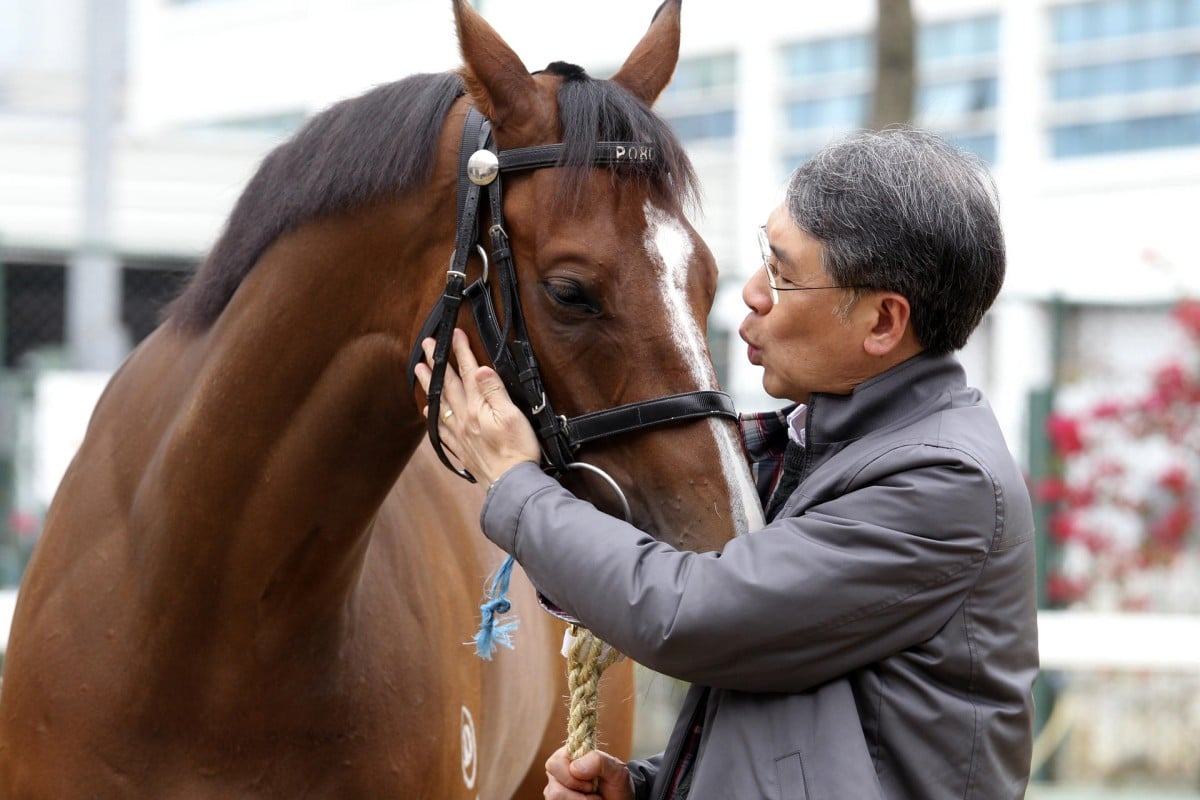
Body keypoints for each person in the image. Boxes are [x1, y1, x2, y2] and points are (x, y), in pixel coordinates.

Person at [414, 127, 1039, 800]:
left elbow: (694, 617)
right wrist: (653, 790)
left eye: (783, 273)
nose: (753, 295)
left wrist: (515, 484)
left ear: (884, 323)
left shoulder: (942, 480)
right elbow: (811, 725)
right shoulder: (837, 448)